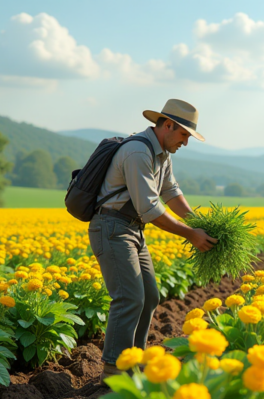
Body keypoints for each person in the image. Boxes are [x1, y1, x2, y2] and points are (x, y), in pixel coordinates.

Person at [87, 99, 217, 380]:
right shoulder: (137, 152)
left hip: (131, 229)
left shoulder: (162, 154)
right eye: (184, 134)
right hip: (112, 227)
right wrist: (191, 234)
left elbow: (170, 191)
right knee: (129, 297)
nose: (186, 142)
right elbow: (149, 208)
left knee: (150, 297)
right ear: (168, 125)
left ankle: (135, 358)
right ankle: (115, 368)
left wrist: (197, 222)